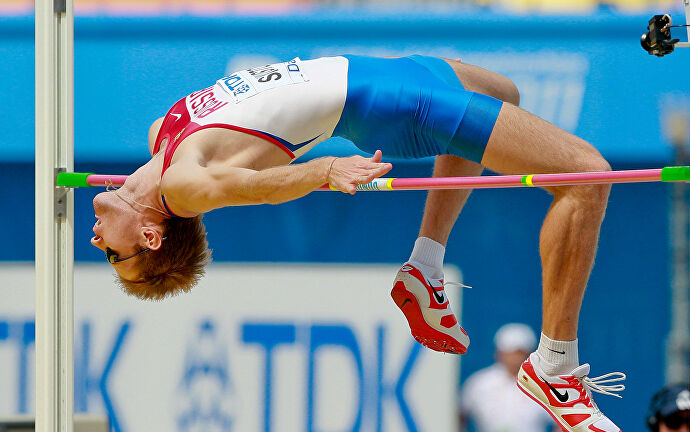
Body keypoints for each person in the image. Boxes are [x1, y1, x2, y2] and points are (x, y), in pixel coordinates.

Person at [91, 54, 623, 431]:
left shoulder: (161, 135)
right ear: (150, 234)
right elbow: (253, 189)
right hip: (398, 105)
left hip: (381, 71)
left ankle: (425, 266)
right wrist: (324, 170)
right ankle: (553, 365)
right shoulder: (182, 189)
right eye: (116, 257)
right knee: (588, 177)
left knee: (503, 91)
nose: (98, 243)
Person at [460, 323, 561, 432]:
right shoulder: (479, 383)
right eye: (510, 353)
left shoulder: (543, 385)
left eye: (519, 353)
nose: (514, 358)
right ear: (499, 353)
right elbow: (460, 414)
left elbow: (560, 422)